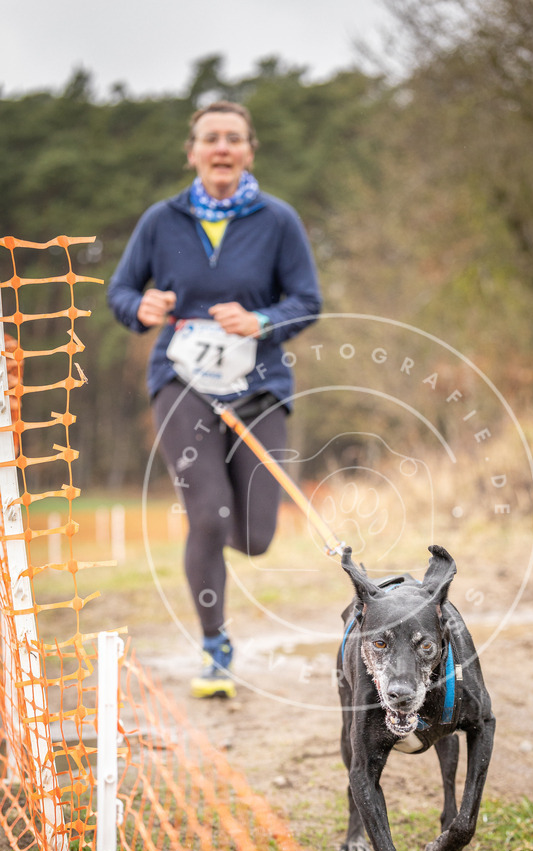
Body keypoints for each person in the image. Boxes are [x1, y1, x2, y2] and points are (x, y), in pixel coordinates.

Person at [108, 100, 321, 698]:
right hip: (182, 380)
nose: (221, 147)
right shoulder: (162, 220)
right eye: (210, 138)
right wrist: (140, 307)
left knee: (255, 536)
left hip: (258, 384)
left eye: (233, 138)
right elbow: (121, 292)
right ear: (192, 152)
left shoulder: (278, 220)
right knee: (208, 514)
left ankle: (219, 525)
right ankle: (215, 646)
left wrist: (261, 320)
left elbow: (307, 300)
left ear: (249, 151)